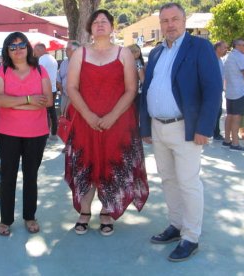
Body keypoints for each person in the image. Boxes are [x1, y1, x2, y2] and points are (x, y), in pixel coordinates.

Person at [139, 3, 223, 262]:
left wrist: (203, 128)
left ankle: (191, 237)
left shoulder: (200, 48)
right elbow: (148, 90)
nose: (170, 24)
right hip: (158, 127)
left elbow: (212, 89)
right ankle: (175, 226)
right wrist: (145, 127)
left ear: (184, 21)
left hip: (185, 128)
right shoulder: (155, 53)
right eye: (165, 21)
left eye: (174, 19)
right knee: (168, 180)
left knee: (188, 182)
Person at [66, 9, 149, 237]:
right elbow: (71, 88)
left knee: (113, 164)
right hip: (85, 122)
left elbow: (131, 89)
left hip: (119, 122)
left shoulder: (124, 54)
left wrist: (112, 116)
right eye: (96, 22)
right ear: (90, 28)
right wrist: (89, 115)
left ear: (113, 28)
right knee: (87, 163)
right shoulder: (79, 54)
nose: (100, 24)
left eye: (105, 21)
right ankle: (84, 211)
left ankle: (106, 211)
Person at [0, 32, 52, 236]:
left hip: (36, 132)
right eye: (12, 46)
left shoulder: (40, 70)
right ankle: (5, 220)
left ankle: (30, 216)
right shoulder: (1, 71)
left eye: (21, 45)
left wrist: (14, 103)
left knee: (31, 176)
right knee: (7, 176)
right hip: (7, 132)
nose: (17, 49)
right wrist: (28, 100)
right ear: (7, 50)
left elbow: (48, 101)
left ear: (28, 47)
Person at [223, 39, 244, 151]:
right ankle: (235, 143)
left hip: (230, 91)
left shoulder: (229, 56)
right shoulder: (240, 57)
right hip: (239, 91)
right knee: (236, 117)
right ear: (238, 46)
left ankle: (227, 140)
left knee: (230, 115)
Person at [34, 43, 59, 141]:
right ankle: (53, 133)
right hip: (53, 88)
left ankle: (46, 134)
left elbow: (38, 75)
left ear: (40, 50)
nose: (34, 53)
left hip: (45, 89)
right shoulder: (53, 59)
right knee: (52, 112)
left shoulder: (42, 59)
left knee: (45, 112)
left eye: (35, 51)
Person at [57, 40, 80, 115]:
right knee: (64, 116)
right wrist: (61, 89)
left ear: (75, 50)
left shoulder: (81, 62)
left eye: (67, 49)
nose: (65, 50)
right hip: (65, 95)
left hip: (77, 97)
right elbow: (59, 78)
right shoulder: (64, 63)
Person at [213, 41, 229, 141]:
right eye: (224, 48)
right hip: (211, 91)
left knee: (218, 112)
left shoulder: (220, 60)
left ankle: (216, 133)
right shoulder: (211, 60)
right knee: (215, 111)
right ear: (218, 48)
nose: (226, 50)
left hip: (218, 91)